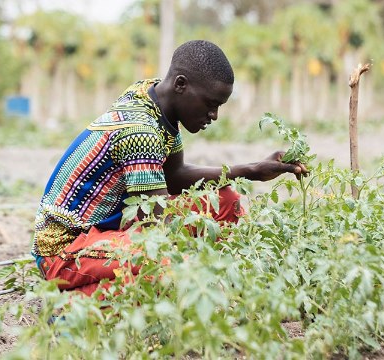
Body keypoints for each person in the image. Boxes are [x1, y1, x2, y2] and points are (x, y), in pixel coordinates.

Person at [31, 40, 306, 296]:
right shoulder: (141, 131)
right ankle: (76, 305)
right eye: (210, 104)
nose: (214, 115)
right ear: (181, 85)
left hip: (105, 233)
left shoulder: (153, 98)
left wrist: (253, 170)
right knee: (165, 265)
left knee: (225, 202)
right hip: (64, 251)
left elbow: (174, 177)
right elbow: (158, 228)